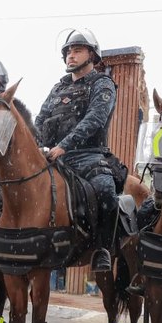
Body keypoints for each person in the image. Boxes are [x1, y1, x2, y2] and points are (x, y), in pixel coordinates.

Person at [35, 29, 117, 272]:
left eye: (77, 51)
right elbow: (40, 120)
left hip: (88, 155)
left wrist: (65, 146)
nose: (71, 56)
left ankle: (103, 249)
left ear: (91, 54)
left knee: (106, 191)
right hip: (51, 155)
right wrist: (38, 145)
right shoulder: (58, 87)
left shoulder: (102, 84)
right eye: (68, 52)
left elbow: (95, 119)